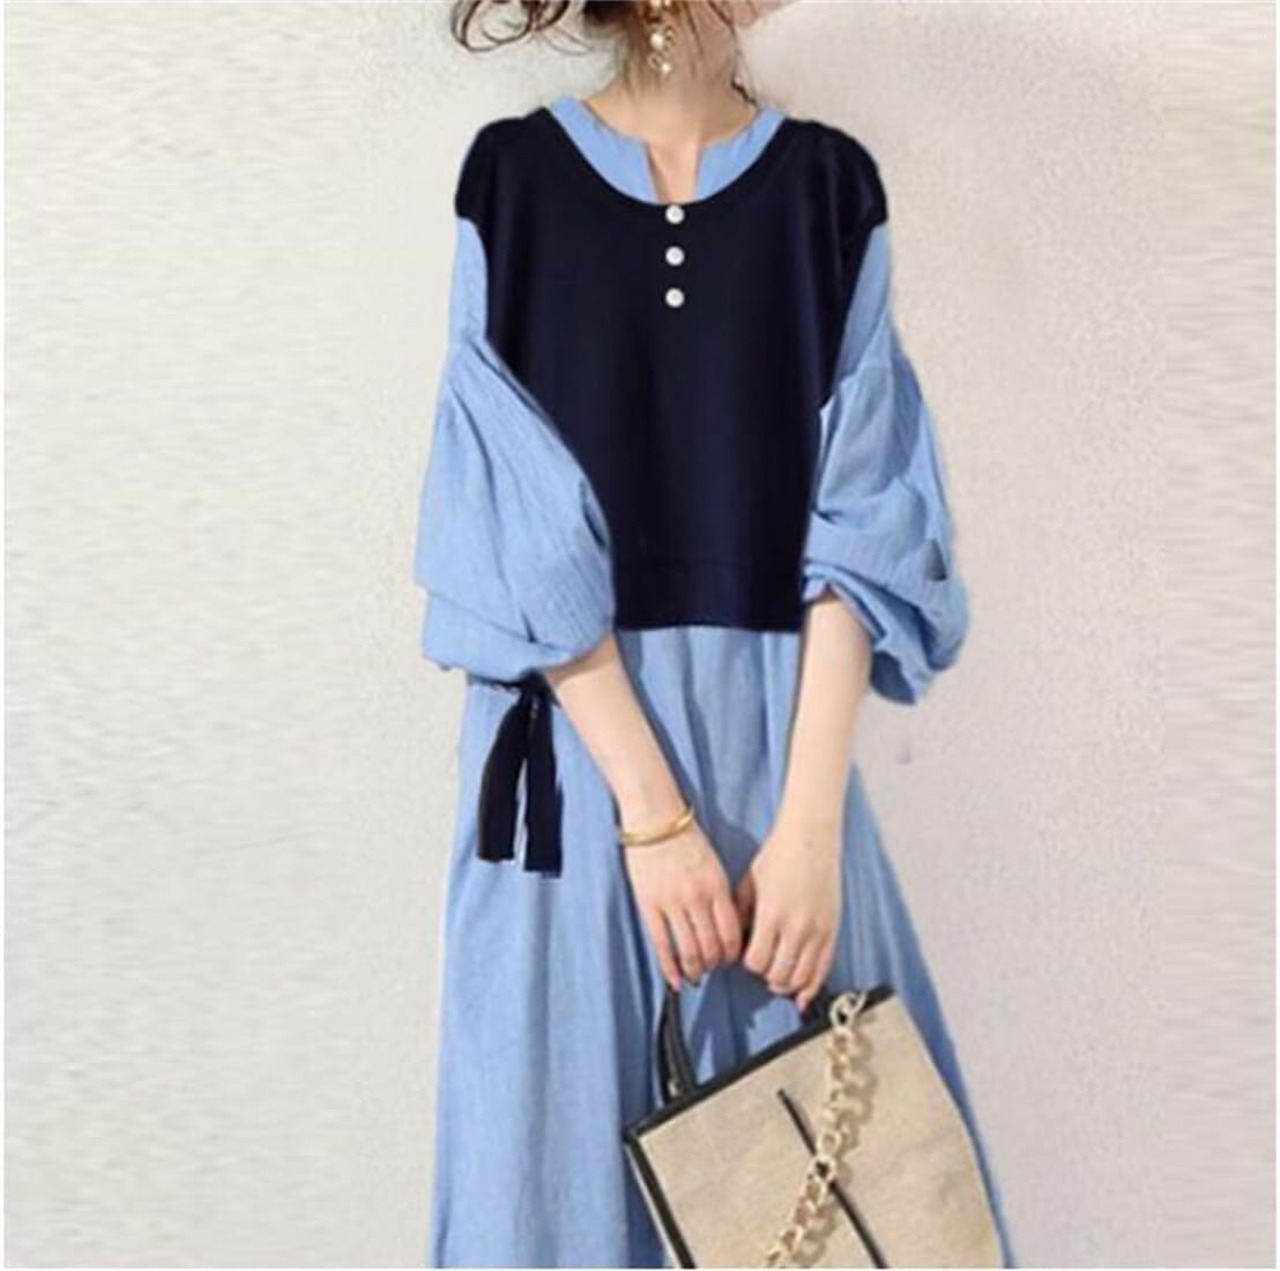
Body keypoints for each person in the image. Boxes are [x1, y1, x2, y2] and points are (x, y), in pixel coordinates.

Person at [412, 1, 1016, 1265]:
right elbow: (508, 523)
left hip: (780, 767)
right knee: (554, 1203)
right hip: (580, 765)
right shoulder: (512, 183)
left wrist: (807, 832)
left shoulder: (828, 191)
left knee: (834, 1194)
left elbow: (867, 517)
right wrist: (652, 816)